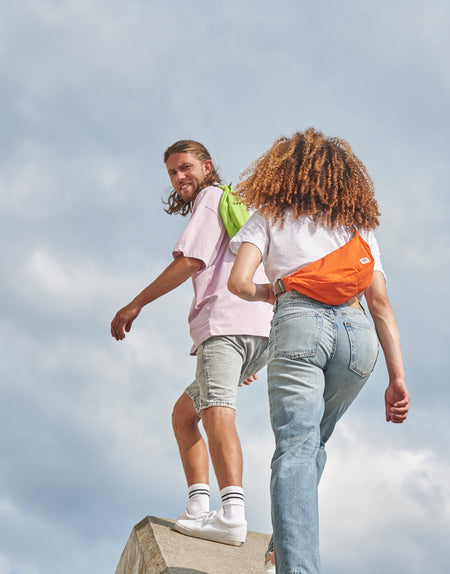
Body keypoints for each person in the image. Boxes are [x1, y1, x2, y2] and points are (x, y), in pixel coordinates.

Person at [227, 128, 410, 573]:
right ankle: (280, 549)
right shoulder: (357, 228)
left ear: (281, 171)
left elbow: (237, 282)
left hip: (300, 323)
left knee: (295, 446)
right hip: (358, 337)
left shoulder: (269, 216)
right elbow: (380, 303)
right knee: (312, 444)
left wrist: (269, 292)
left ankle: (295, 568)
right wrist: (397, 377)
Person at [110, 140, 273, 546]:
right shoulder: (235, 203)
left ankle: (232, 513)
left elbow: (189, 261)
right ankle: (200, 506)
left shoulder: (211, 197)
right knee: (184, 416)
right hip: (256, 329)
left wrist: (136, 304)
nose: (179, 177)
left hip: (225, 322)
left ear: (207, 166)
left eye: (185, 168)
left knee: (218, 411)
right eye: (172, 172)